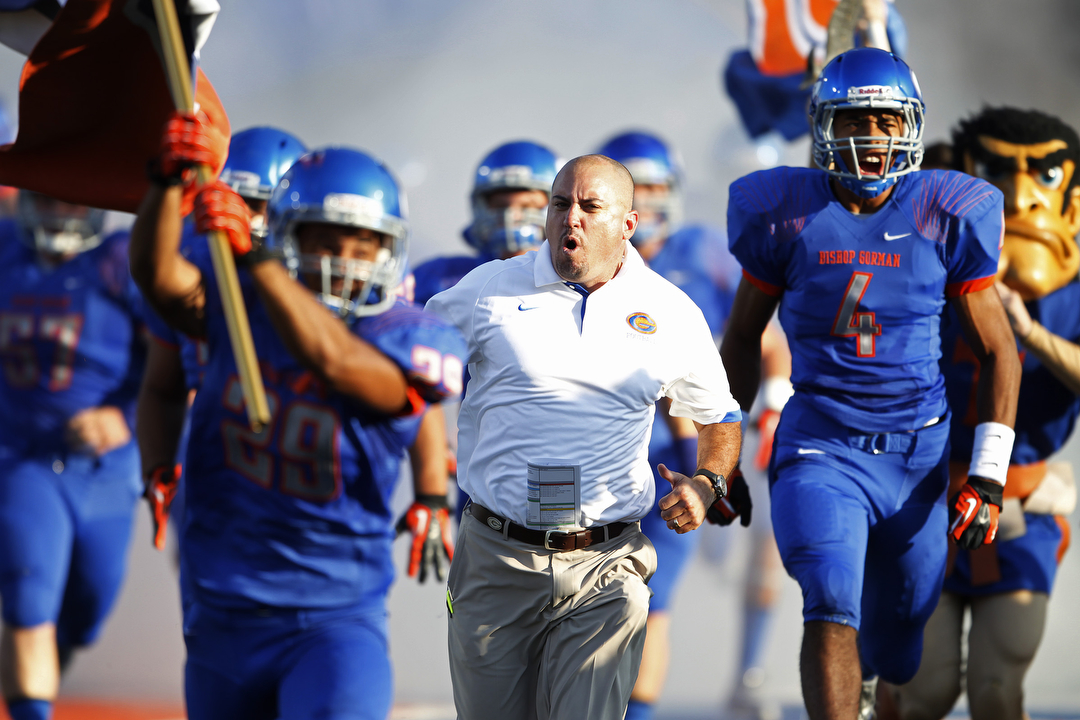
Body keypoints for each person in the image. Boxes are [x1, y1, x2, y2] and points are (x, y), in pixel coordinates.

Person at [128, 112, 465, 720]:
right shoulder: (240, 304)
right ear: (290, 236)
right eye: (324, 240)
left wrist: (256, 260)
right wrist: (163, 183)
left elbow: (337, 362)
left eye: (364, 245)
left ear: (392, 251)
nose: (345, 260)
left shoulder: (413, 334)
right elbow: (157, 279)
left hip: (333, 617)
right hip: (223, 606)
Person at [720, 48, 1021, 720]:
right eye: (857, 120)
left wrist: (989, 477)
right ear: (824, 124)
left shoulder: (947, 210)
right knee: (829, 599)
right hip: (821, 444)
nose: (874, 138)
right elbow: (741, 336)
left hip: (918, 454)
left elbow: (1001, 351)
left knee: (900, 644)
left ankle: (873, 684)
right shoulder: (784, 212)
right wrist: (723, 456)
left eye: (888, 122)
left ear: (912, 125)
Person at [426, 154, 744, 720]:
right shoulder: (488, 289)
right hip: (496, 558)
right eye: (559, 204)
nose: (570, 218)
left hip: (606, 561)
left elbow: (719, 416)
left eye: (590, 207)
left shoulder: (670, 310)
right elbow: (413, 365)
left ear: (628, 223)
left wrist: (708, 482)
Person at [883, 107, 1080, 720]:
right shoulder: (919, 265)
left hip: (1020, 509)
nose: (1021, 202)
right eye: (999, 175)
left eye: (1042, 180)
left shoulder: (1071, 295)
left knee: (998, 692)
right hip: (927, 501)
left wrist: (1030, 334)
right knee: (926, 691)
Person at [595, 130, 792, 720]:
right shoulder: (576, 255)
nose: (650, 201)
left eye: (659, 187)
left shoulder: (702, 250)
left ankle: (746, 675)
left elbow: (768, 337)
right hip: (599, 457)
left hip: (689, 450)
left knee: (651, 602)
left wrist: (774, 405)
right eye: (638, 187)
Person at [0, 191, 146, 720]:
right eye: (47, 198)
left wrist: (123, 417)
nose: (60, 212)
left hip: (107, 470)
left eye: (72, 201)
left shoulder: (122, 260)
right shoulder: (3, 249)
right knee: (27, 593)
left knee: (87, 610)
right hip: (24, 458)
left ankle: (42, 679)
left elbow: (180, 359)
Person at [137, 125, 307, 552]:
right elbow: (162, 384)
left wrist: (429, 487)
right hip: (215, 456)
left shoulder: (317, 283)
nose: (244, 217)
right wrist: (157, 464)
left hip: (301, 462)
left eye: (259, 205)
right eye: (233, 201)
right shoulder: (194, 264)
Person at [412, 139, 560, 306]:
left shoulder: (578, 282)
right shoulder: (442, 278)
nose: (512, 215)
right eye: (500, 206)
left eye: (527, 206)